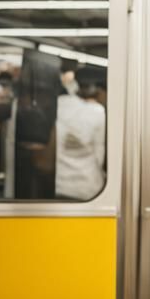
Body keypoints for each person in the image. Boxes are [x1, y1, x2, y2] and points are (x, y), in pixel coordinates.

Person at [54, 65, 106, 201]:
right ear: (98, 90)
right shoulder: (97, 112)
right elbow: (99, 156)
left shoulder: (59, 103)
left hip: (56, 187)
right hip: (87, 191)